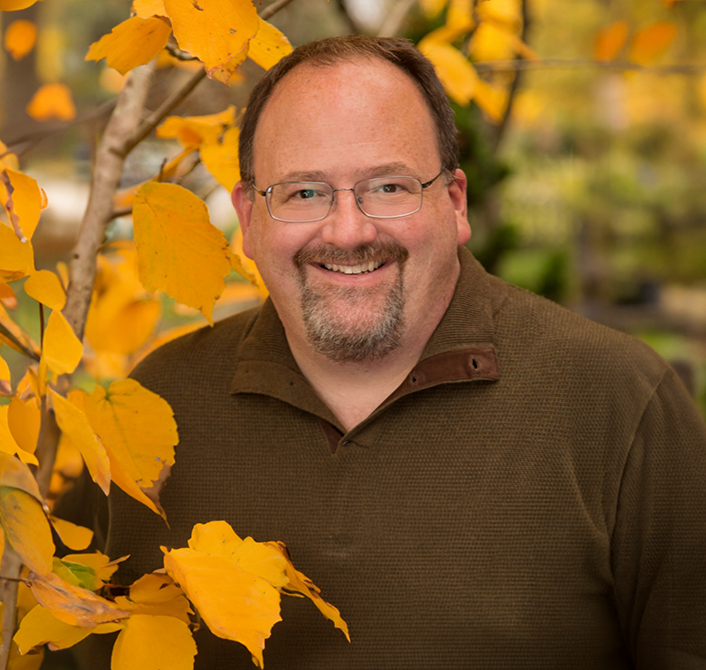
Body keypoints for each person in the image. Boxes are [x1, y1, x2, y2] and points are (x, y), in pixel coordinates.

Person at [86, 35, 706, 668]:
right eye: (303, 192)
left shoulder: (619, 403)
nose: (349, 230)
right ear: (248, 219)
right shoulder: (152, 410)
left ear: (455, 202)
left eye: (388, 186)